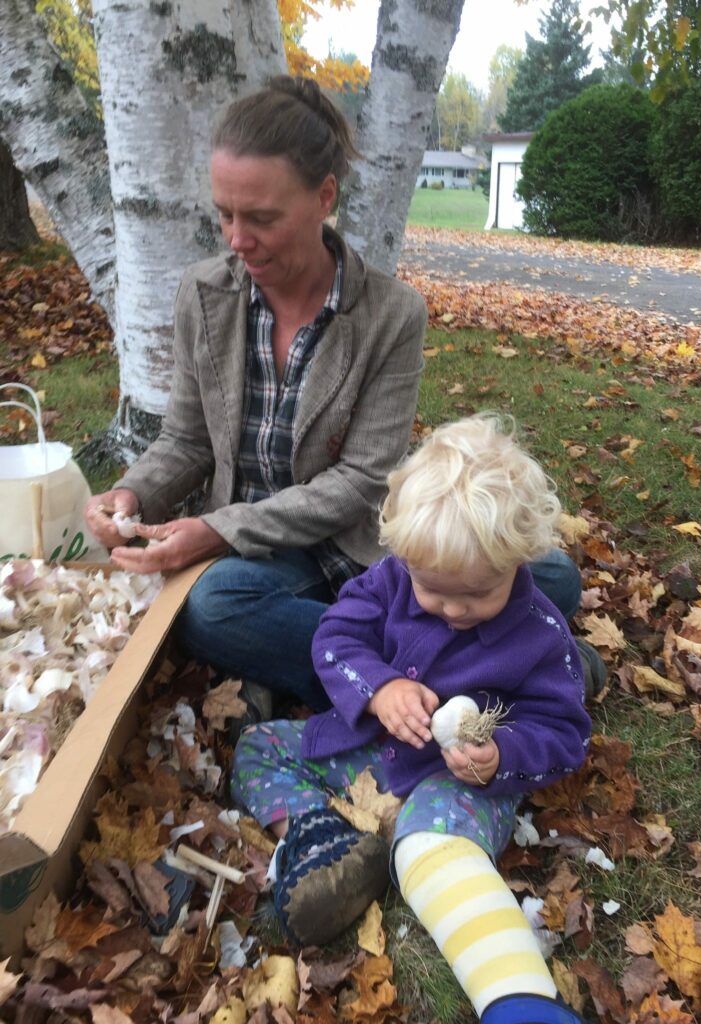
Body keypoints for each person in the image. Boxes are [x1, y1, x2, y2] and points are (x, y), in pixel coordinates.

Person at [84, 75, 591, 716]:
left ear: (324, 197)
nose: (237, 240)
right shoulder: (204, 293)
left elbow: (361, 480)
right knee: (211, 608)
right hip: (259, 553)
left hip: (357, 543)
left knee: (552, 575)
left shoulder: (390, 313)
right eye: (225, 214)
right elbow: (184, 439)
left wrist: (214, 530)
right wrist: (131, 494)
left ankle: (361, 666)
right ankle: (473, 670)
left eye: (262, 218)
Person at [231, 415, 591, 1024]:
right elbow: (335, 635)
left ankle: (520, 999)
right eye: (434, 591)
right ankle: (330, 839)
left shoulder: (539, 634)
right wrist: (380, 687)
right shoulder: (392, 580)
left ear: (517, 563)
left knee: (433, 846)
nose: (452, 609)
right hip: (373, 748)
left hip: (457, 782)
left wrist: (501, 755)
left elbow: (562, 733)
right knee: (259, 747)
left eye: (475, 596)